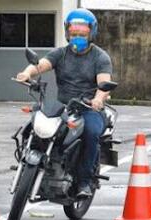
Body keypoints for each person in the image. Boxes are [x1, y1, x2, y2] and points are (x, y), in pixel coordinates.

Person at [16, 8, 113, 198]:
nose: (77, 37)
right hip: (63, 107)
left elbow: (104, 83)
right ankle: (28, 164)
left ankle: (84, 182)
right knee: (33, 125)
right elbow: (41, 64)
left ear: (91, 33)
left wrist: (98, 99)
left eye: (82, 34)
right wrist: (27, 73)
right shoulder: (60, 53)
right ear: (67, 33)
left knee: (91, 133)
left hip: (88, 108)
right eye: (74, 33)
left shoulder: (100, 57)